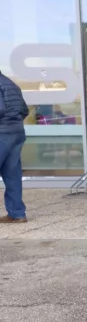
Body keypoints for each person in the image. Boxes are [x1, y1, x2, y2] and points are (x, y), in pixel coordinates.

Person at [0, 71, 29, 223]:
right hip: (17, 132)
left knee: (12, 174)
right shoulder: (12, 85)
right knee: (12, 175)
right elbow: (24, 110)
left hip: (2, 133)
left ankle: (16, 213)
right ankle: (17, 213)